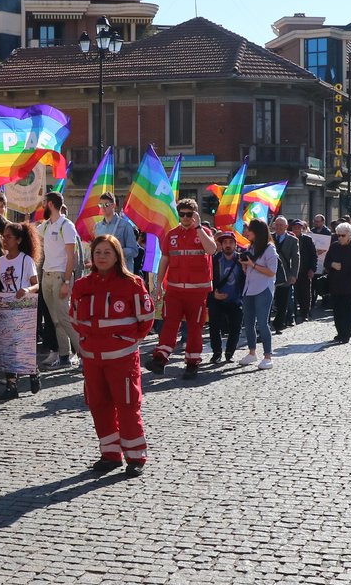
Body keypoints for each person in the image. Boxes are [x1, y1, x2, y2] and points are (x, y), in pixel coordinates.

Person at [70, 235, 154, 474]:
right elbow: (75, 319)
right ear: (92, 256)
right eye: (98, 253)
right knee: (98, 405)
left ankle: (135, 457)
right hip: (93, 360)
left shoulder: (132, 284)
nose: (102, 257)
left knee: (127, 405)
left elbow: (146, 320)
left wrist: (126, 341)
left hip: (123, 359)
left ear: (117, 255)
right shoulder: (82, 285)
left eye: (107, 252)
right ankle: (110, 455)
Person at [149, 198, 216, 379]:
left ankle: (192, 363)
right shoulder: (171, 235)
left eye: (189, 214)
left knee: (195, 327)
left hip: (197, 291)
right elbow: (164, 260)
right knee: (169, 324)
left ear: (195, 215)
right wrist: (158, 285)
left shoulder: (204, 232)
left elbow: (211, 250)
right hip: (175, 290)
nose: (186, 218)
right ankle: (160, 359)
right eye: (182, 214)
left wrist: (199, 228)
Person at [0, 221, 41, 398]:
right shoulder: (1, 261)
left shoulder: (26, 260)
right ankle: (12, 385)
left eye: (9, 237)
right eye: (4, 237)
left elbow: (36, 285)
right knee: (7, 346)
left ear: (18, 240)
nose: (5, 240)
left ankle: (33, 370)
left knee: (22, 345)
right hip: (7, 308)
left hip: (24, 308)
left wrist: (26, 290)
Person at [36, 190, 82, 369]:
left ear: (49, 204)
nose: (42, 205)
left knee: (64, 318)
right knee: (55, 319)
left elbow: (72, 257)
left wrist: (67, 282)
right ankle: (64, 356)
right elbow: (31, 233)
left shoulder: (67, 225)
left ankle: (85, 354)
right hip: (46, 276)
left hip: (60, 277)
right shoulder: (46, 225)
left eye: (43, 202)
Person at [238, 218, 279, 368]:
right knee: (248, 323)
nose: (246, 232)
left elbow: (271, 271)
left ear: (257, 232)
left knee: (262, 323)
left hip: (263, 290)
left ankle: (268, 356)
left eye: (249, 229)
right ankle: (252, 353)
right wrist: (245, 266)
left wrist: (252, 265)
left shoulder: (269, 249)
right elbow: (250, 269)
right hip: (249, 289)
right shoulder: (252, 247)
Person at [323, 223, 351, 344]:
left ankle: (346, 334)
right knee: (337, 310)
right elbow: (326, 261)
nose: (340, 238)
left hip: (349, 285)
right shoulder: (334, 246)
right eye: (338, 235)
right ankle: (340, 332)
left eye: (342, 235)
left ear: (349, 235)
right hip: (335, 283)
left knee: (347, 310)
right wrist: (332, 264)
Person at [207, 228, 245, 365]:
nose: (228, 245)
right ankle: (217, 352)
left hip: (236, 300)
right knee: (214, 327)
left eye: (231, 242)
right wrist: (213, 294)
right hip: (217, 300)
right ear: (221, 245)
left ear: (235, 245)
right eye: (225, 242)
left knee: (236, 327)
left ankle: (229, 353)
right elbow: (207, 279)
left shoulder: (242, 260)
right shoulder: (213, 260)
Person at [93, 192, 142, 274]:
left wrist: (118, 251)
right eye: (101, 205)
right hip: (104, 272)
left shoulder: (125, 225)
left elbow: (134, 251)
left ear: (114, 206)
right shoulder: (98, 227)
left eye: (106, 205)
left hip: (121, 272)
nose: (103, 208)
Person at [269, 217, 300, 331]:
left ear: (286, 227)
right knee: (270, 300)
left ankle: (278, 324)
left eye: (281, 225)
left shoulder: (292, 240)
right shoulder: (269, 238)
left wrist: (294, 275)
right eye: (277, 225)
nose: (278, 227)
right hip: (270, 273)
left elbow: (296, 259)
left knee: (283, 301)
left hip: (285, 274)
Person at [291, 218, 318, 323]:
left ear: (302, 229)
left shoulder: (307, 240)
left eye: (299, 228)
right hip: (292, 271)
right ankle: (291, 314)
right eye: (295, 228)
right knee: (292, 294)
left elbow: (313, 256)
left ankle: (305, 313)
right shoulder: (289, 239)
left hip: (305, 271)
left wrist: (312, 269)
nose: (296, 230)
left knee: (305, 294)